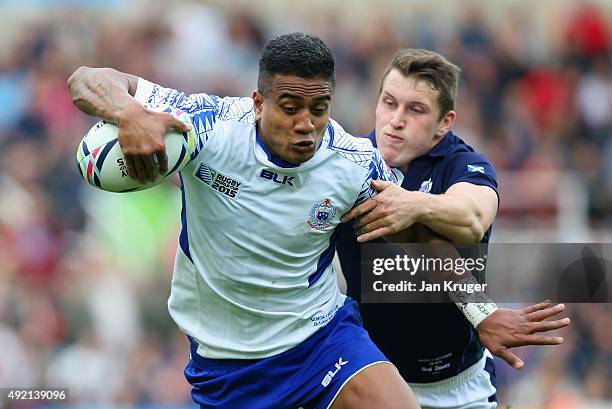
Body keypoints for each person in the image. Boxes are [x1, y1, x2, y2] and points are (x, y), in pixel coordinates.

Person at [67, 33, 420, 409]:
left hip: (322, 338)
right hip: (227, 365)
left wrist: (480, 313)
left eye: (319, 108)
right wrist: (129, 113)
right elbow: (85, 79)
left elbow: (419, 241)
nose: (306, 124)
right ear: (258, 102)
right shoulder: (208, 127)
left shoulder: (355, 164)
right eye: (290, 107)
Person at [336, 49, 570, 409]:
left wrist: (416, 204)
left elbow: (473, 217)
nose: (395, 120)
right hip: (372, 380)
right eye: (389, 102)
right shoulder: (347, 165)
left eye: (415, 110)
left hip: (461, 384)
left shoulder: (463, 164)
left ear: (444, 123)